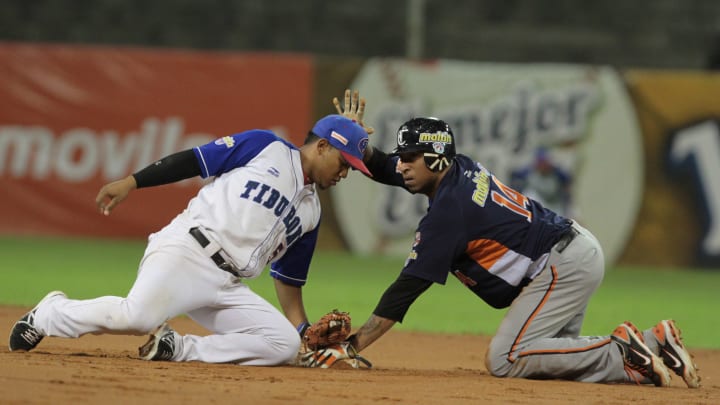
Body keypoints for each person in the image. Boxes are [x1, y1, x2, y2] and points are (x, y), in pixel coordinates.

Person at [318, 109, 700, 387]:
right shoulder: (458, 168)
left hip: (560, 266)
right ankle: (654, 342)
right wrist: (359, 147)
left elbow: (406, 289)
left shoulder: (449, 213)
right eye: (401, 157)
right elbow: (389, 169)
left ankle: (622, 352)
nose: (401, 165)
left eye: (410, 157)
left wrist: (352, 347)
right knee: (554, 358)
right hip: (570, 253)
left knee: (507, 359)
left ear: (435, 157)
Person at [8, 91, 373, 366]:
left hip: (227, 285)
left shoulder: (312, 212)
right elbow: (194, 161)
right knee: (137, 317)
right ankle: (49, 313)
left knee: (282, 346)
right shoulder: (266, 147)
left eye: (352, 169)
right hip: (187, 250)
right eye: (344, 163)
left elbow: (289, 281)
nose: (345, 173)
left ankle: (176, 347)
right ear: (322, 146)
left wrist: (302, 332)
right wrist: (134, 182)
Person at [510, 146, 574, 217]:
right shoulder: (529, 171)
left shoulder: (557, 172)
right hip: (538, 205)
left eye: (545, 162)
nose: (543, 165)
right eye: (540, 162)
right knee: (529, 193)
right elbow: (514, 176)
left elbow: (568, 182)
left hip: (555, 205)